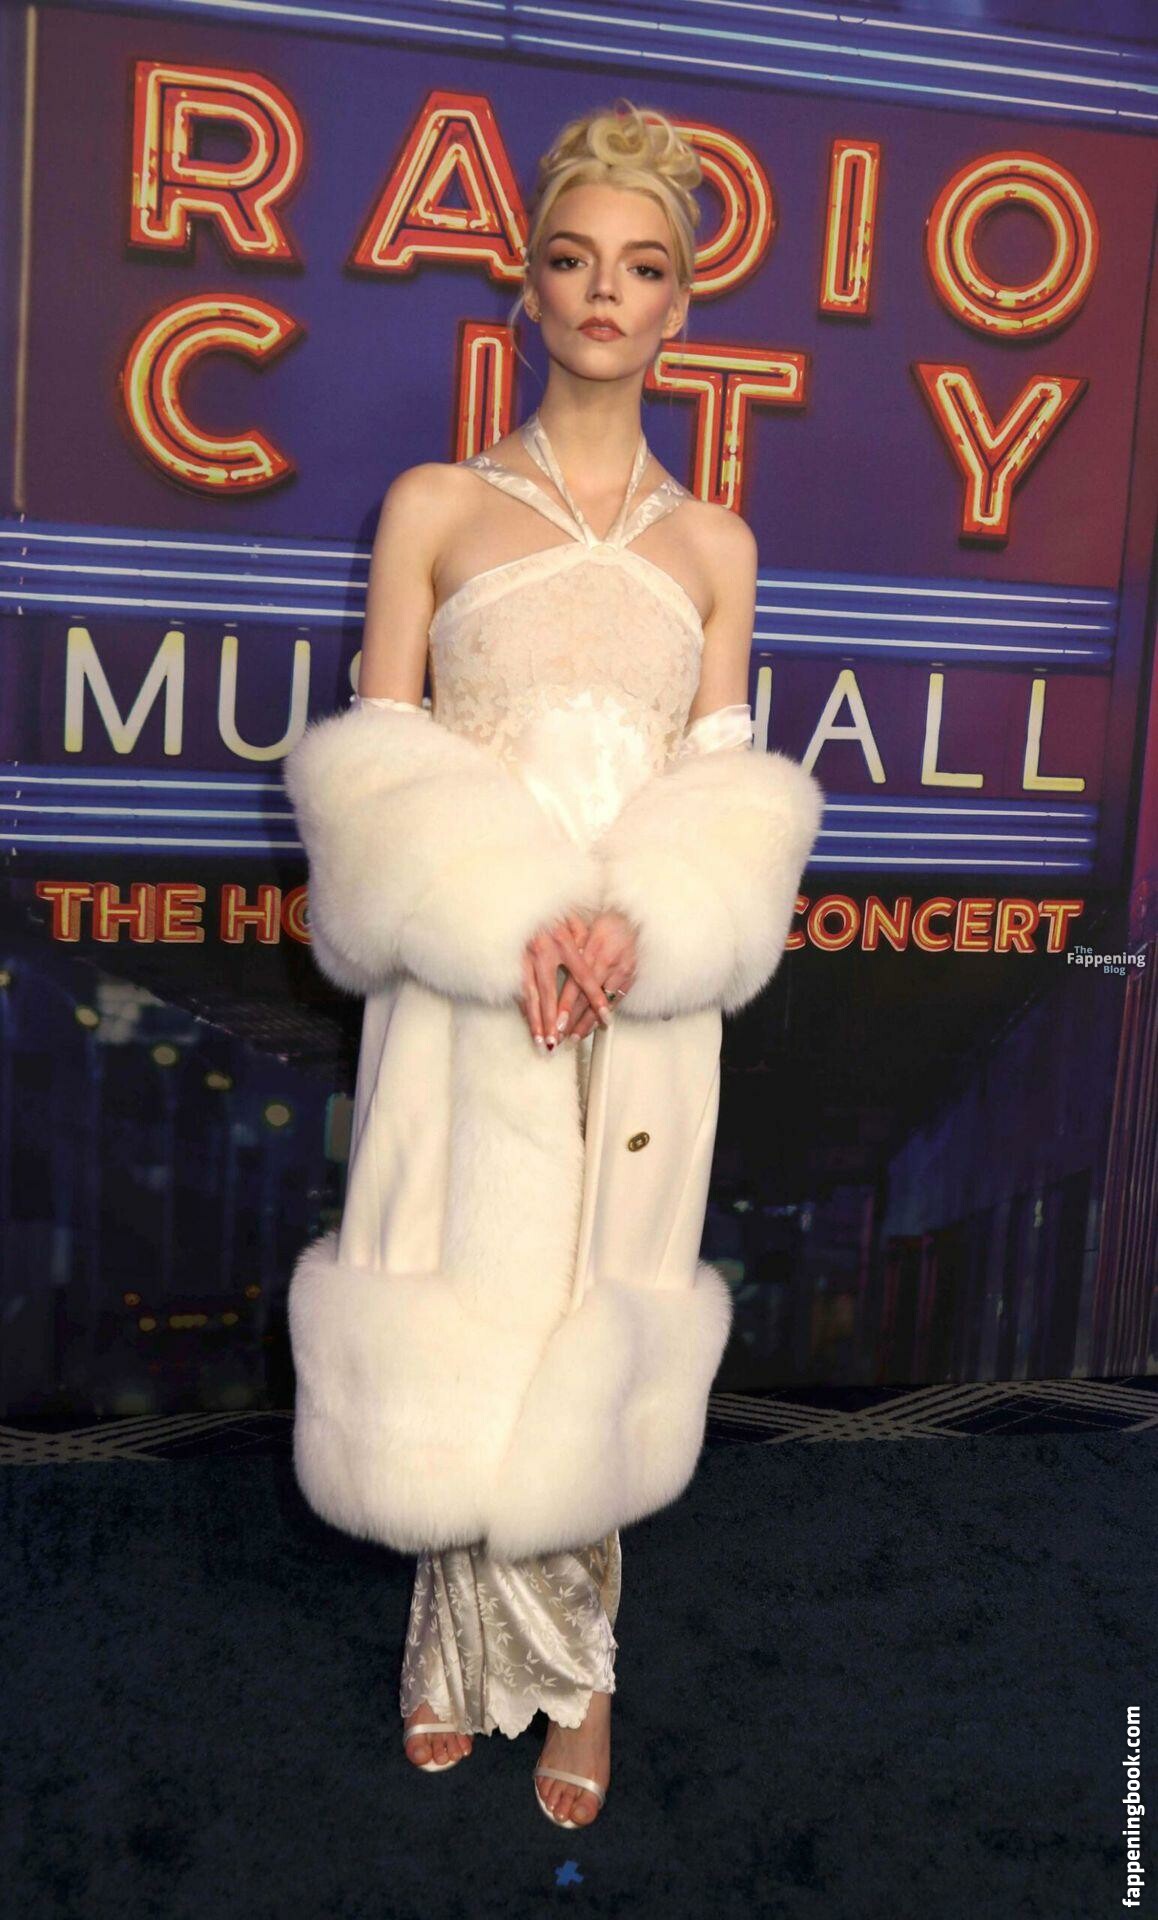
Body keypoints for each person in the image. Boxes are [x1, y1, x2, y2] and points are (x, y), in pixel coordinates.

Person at [282, 98, 824, 1832]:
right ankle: (452, 1640)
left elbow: (726, 794)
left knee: (600, 1292)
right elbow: (373, 769)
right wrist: (506, 918)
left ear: (680, 306)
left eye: (643, 267)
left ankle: (579, 1666)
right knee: (460, 1278)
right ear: (526, 285)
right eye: (576, 259)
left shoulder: (715, 546)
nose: (607, 291)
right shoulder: (434, 505)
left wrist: (637, 924)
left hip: (636, 1005)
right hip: (467, 986)